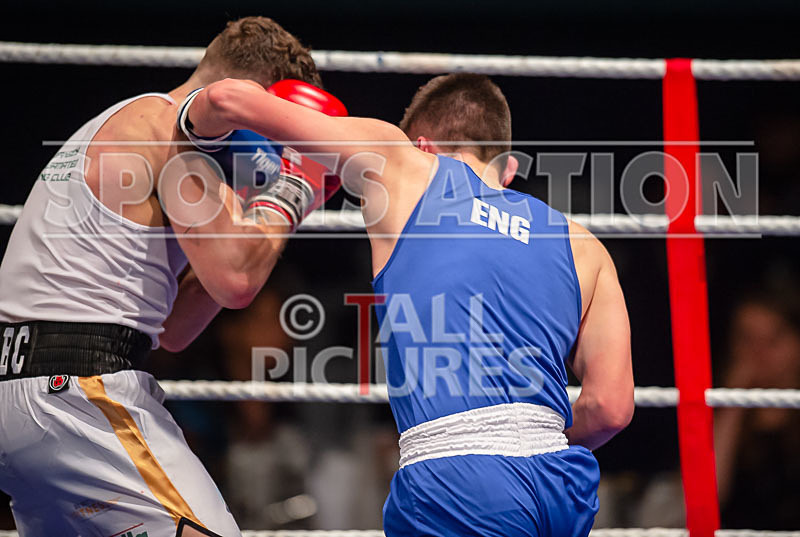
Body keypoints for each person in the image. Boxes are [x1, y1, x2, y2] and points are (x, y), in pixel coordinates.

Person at [179, 72, 634, 536]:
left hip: (457, 483)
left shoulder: (402, 164)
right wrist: (528, 444)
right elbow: (611, 408)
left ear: (424, 146)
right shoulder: (585, 246)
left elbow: (226, 97)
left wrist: (184, 131)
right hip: (562, 484)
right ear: (508, 169)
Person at [0, 16, 344, 537]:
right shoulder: (163, 130)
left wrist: (251, 221)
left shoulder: (122, 126)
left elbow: (177, 328)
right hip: (79, 391)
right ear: (247, 101)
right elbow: (237, 282)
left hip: (24, 393)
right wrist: (293, 193)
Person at [715, 281, 800, 529]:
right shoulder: (721, 412)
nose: (758, 353)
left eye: (772, 339)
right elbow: (705, 496)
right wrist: (733, 402)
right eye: (747, 339)